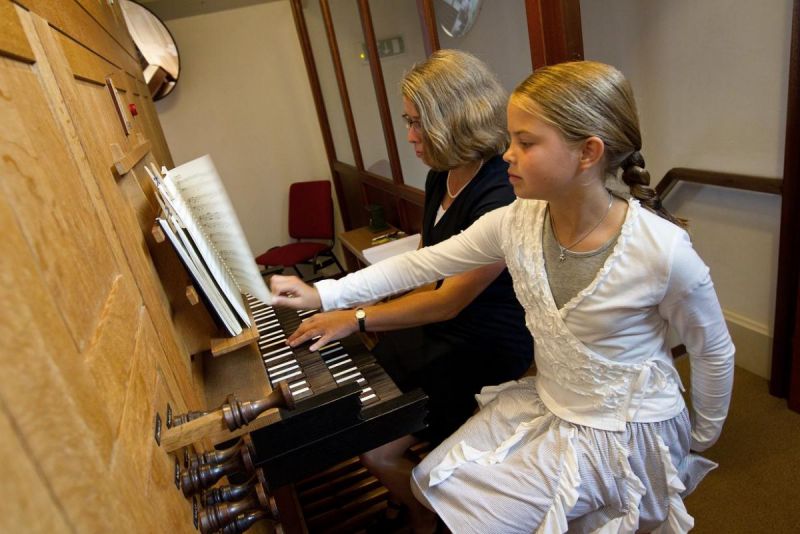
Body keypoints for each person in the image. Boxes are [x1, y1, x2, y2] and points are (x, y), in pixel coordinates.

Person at [272, 60, 735, 533]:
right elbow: (422, 263)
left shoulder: (662, 251)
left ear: (587, 153)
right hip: (553, 403)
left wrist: (700, 437)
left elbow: (713, 350)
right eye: (510, 139)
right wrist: (323, 293)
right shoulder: (516, 221)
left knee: (479, 517)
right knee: (431, 479)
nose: (507, 154)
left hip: (626, 429)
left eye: (526, 142)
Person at [278, 50, 532, 532]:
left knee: (372, 450)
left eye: (419, 123)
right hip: (438, 326)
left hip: (481, 342)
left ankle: (429, 513)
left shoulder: (502, 192)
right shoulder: (442, 173)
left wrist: (352, 317)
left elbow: (448, 299)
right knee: (359, 384)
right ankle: (411, 489)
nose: (410, 136)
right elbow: (427, 260)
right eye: (408, 121)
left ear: (455, 119)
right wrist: (358, 301)